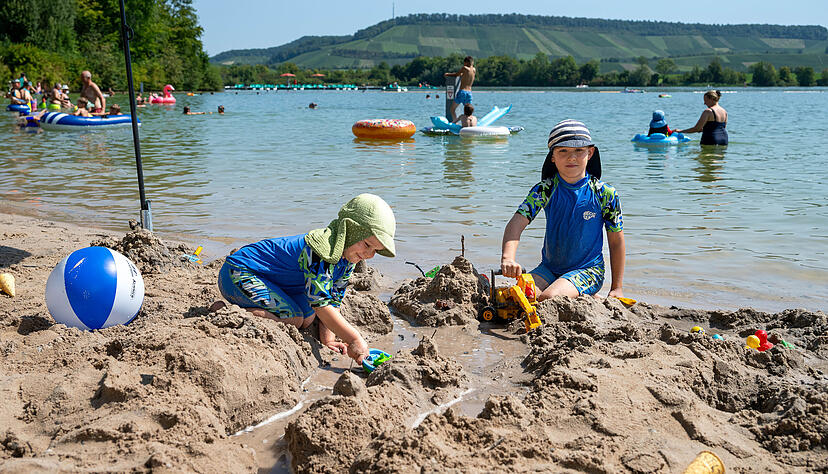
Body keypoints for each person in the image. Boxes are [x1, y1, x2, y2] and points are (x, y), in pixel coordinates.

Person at [213, 194, 396, 363]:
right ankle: (229, 312)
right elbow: (321, 304)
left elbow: (333, 300)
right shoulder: (321, 250)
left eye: (376, 250)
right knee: (294, 318)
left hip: (273, 280)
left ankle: (250, 307)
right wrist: (354, 339)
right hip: (239, 271)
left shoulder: (348, 258)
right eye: (367, 245)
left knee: (307, 318)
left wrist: (328, 339)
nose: (369, 254)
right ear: (350, 230)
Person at [500, 120, 625, 301]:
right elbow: (516, 223)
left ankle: (582, 291)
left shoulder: (605, 193)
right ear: (552, 156)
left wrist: (617, 288)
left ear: (590, 153)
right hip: (549, 269)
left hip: (589, 270)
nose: (571, 157)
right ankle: (582, 295)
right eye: (563, 151)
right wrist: (508, 258)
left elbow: (616, 241)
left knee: (549, 298)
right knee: (519, 295)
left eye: (579, 150)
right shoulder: (545, 189)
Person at [444, 56, 476, 121]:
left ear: (466, 62)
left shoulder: (464, 68)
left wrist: (447, 74)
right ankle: (470, 122)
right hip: (469, 93)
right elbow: (467, 75)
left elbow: (456, 74)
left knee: (452, 109)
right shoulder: (474, 70)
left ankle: (454, 122)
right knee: (468, 112)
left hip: (462, 92)